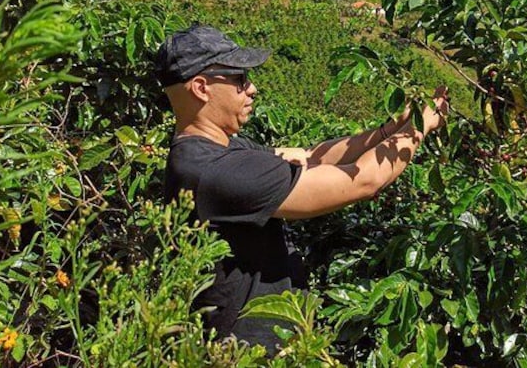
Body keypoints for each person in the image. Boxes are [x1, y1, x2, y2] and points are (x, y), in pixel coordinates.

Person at [155, 24, 448, 352]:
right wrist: (422, 126)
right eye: (239, 78)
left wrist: (390, 129)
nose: (251, 89)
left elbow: (312, 156)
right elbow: (364, 180)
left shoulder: (214, 151)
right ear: (201, 87)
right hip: (252, 352)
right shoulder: (221, 171)